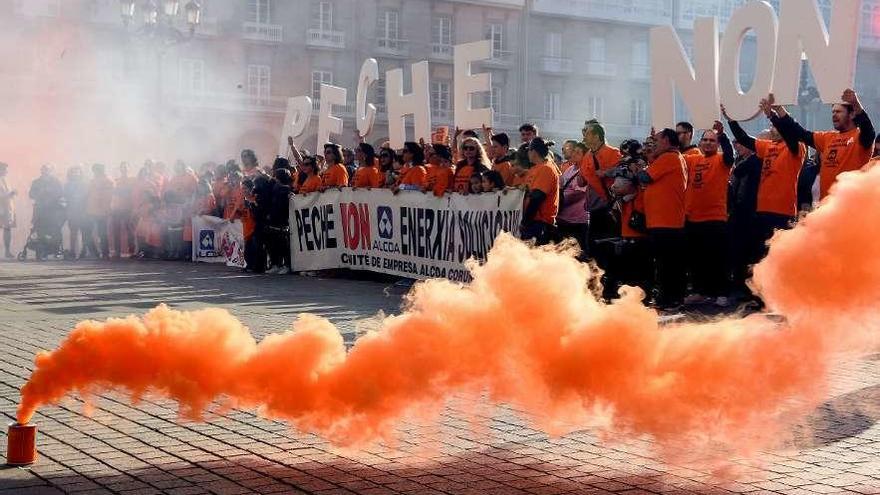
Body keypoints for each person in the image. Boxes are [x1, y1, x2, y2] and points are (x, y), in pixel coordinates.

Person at [725, 103, 808, 266]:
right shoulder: (768, 146)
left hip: (782, 211)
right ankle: (757, 291)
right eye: (771, 126)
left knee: (779, 256)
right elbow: (744, 139)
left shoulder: (797, 147)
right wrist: (731, 121)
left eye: (774, 126)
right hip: (762, 210)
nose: (772, 129)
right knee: (760, 256)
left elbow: (790, 133)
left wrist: (773, 116)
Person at [764, 89, 875, 199]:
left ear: (851, 115)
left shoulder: (860, 137)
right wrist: (778, 111)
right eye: (833, 112)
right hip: (826, 208)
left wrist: (855, 103)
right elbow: (800, 133)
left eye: (839, 112)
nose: (834, 115)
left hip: (848, 206)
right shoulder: (828, 137)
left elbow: (868, 129)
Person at [682, 123, 734, 307]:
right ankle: (700, 292)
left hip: (715, 217)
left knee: (717, 258)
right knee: (697, 260)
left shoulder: (722, 160)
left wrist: (724, 136)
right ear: (700, 142)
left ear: (718, 144)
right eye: (705, 140)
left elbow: (730, 156)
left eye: (712, 140)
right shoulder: (692, 159)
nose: (708, 143)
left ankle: (722, 293)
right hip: (693, 217)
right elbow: (676, 158)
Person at [637, 128, 688, 310]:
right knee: (668, 263)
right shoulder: (671, 158)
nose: (654, 144)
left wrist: (636, 166)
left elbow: (645, 177)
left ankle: (671, 299)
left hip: (666, 222)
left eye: (657, 140)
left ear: (666, 140)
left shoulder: (669, 158)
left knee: (667, 264)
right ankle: (670, 298)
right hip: (666, 221)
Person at [727, 139, 761, 297]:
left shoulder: (756, 161)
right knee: (737, 251)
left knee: (750, 252)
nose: (737, 146)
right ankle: (739, 284)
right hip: (737, 212)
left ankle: (749, 289)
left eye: (740, 143)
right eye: (736, 144)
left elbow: (740, 174)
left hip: (751, 213)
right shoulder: (739, 161)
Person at [521, 138, 560, 245]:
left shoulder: (546, 168)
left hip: (540, 223)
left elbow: (537, 197)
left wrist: (525, 222)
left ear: (533, 152)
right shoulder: (535, 169)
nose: (527, 153)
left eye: (528, 150)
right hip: (534, 222)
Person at [557, 143, 589, 258]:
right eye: (574, 151)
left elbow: (579, 193)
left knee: (577, 255)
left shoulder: (585, 171)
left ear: (585, 156)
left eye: (578, 153)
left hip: (577, 221)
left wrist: (559, 201)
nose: (574, 154)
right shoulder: (570, 168)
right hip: (563, 218)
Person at [28, 164, 65, 260]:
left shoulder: (56, 182)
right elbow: (31, 195)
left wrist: (51, 193)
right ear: (41, 171)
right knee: (40, 231)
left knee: (55, 231)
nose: (45, 171)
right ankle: (41, 252)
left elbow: (61, 193)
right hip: (40, 211)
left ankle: (56, 251)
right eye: (44, 169)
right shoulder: (36, 182)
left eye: (48, 170)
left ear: (51, 171)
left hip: (53, 211)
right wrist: (40, 192)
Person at [266, 168, 293, 275]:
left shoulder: (286, 189)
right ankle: (275, 264)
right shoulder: (275, 187)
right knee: (273, 243)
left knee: (283, 243)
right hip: (274, 219)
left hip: (283, 220)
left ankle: (286, 265)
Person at [85, 163, 115, 260]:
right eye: (95, 170)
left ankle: (105, 253)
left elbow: (110, 196)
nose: (96, 172)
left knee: (102, 233)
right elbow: (88, 194)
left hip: (103, 211)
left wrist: (108, 208)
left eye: (98, 170)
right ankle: (95, 253)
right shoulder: (92, 181)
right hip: (91, 211)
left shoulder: (108, 180)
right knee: (89, 233)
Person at [64, 166, 90, 259]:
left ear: (81, 173)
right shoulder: (67, 185)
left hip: (83, 211)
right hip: (72, 212)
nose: (75, 174)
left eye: (77, 172)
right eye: (73, 172)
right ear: (70, 173)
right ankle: (72, 252)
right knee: (73, 233)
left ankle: (84, 251)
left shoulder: (85, 184)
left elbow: (88, 197)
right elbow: (65, 197)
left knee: (84, 233)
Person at [110, 162, 135, 258]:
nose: (124, 169)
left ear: (129, 168)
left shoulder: (133, 180)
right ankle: (117, 251)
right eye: (122, 167)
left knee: (130, 230)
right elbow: (114, 193)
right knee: (116, 230)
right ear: (120, 169)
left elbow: (132, 192)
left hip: (128, 208)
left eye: (126, 167)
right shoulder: (117, 180)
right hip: (117, 208)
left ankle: (132, 251)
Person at [0, 163, 15, 258]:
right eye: (4, 169)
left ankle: (7, 251)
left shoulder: (6, 180)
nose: (6, 171)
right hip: (1, 207)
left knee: (7, 229)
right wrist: (10, 194)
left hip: (8, 208)